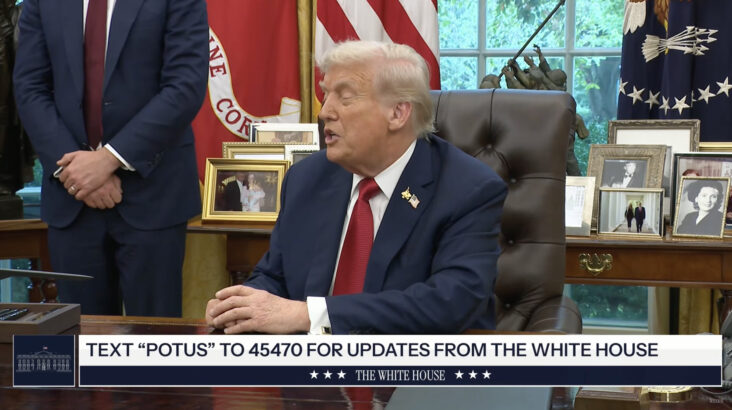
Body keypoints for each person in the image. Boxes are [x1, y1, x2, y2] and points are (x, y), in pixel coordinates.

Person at [206, 40, 507, 335]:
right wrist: (240, 305)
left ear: (398, 113)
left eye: (345, 97)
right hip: (310, 364)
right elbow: (275, 277)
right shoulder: (306, 179)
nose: (325, 112)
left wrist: (309, 315)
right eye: (326, 94)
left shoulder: (467, 190)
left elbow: (450, 301)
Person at [13, 0, 209, 316]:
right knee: (78, 336)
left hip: (154, 194)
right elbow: (30, 87)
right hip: (71, 196)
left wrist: (108, 160)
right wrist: (76, 171)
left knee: (153, 338)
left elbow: (185, 85)